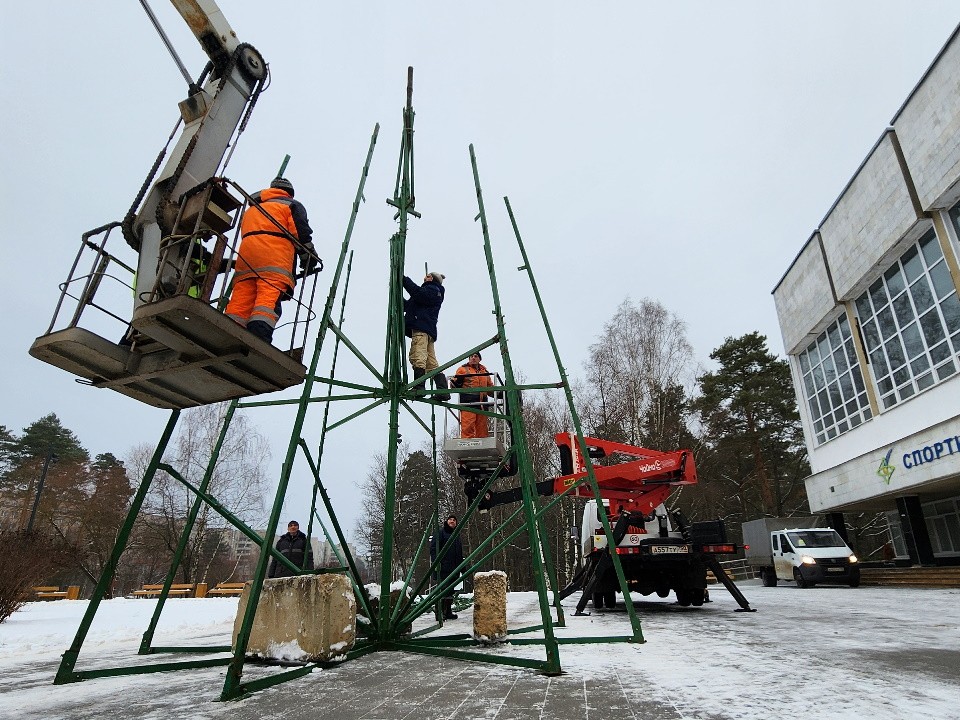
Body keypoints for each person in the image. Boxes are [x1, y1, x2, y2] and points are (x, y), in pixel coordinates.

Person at [225, 177, 318, 344]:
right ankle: (258, 341)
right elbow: (302, 235)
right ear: (289, 193)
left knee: (239, 303)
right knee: (265, 304)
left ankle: (226, 335)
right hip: (274, 261)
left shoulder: (252, 209)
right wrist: (309, 260)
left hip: (246, 260)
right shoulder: (291, 205)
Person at [403, 272, 450, 400]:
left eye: (428, 276)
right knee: (431, 363)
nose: (425, 277)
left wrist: (404, 280)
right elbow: (409, 306)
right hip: (426, 329)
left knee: (418, 355)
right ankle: (443, 390)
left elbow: (418, 293)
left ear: (433, 279)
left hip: (421, 328)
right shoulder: (429, 292)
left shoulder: (434, 290)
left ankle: (419, 387)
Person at [452, 352, 494, 438]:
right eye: (471, 356)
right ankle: (467, 448)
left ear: (479, 359)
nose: (473, 358)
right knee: (468, 427)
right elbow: (454, 384)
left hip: (482, 405)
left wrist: (501, 393)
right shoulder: (463, 369)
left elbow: (490, 389)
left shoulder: (485, 372)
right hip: (468, 404)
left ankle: (482, 449)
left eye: (475, 356)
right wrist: (455, 382)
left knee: (482, 430)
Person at [430, 514, 464, 620]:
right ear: (447, 521)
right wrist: (437, 563)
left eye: (454, 520)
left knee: (450, 591)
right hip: (443, 568)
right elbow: (433, 549)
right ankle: (440, 613)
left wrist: (462, 566)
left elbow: (459, 552)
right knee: (442, 590)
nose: (452, 521)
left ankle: (448, 611)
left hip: (454, 568)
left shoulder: (456, 535)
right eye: (450, 520)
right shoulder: (441, 533)